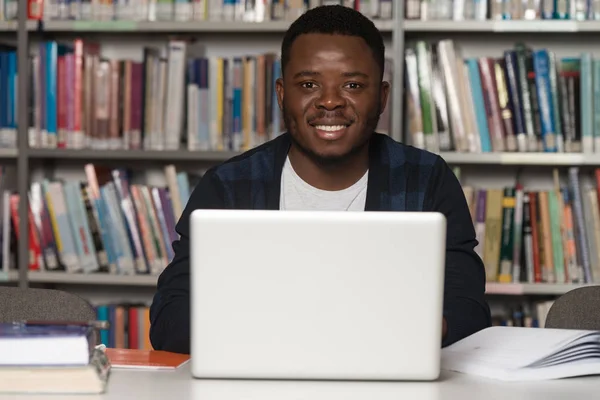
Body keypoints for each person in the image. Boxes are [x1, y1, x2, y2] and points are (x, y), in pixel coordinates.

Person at [149, 4, 491, 354]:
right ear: (282, 95)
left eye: (353, 85)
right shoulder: (229, 185)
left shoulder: (427, 179)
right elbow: (169, 321)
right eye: (309, 84)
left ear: (383, 97)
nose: (330, 101)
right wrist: (281, 332)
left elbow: (469, 312)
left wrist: (405, 328)